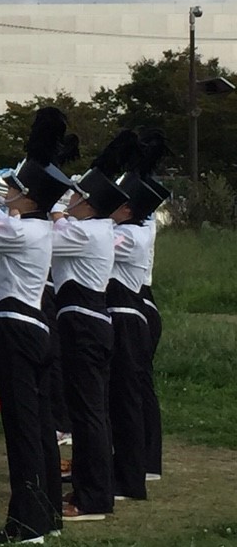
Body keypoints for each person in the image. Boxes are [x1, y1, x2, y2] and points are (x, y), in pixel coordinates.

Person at [0, 107, 74, 543]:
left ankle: (27, 524)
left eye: (11, 189)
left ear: (28, 197)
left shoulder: (21, 230)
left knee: (23, 429)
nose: (5, 193)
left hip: (16, 328)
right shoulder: (33, 226)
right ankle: (46, 516)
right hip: (33, 326)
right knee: (40, 427)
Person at [50, 130, 137, 522]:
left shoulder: (85, 231)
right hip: (86, 322)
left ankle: (93, 497)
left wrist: (45, 203)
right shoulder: (93, 228)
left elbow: (43, 238)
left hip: (84, 324)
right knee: (89, 411)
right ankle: (90, 488)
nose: (70, 199)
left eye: (75, 195)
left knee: (88, 413)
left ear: (88, 204)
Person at [108, 130, 171, 502]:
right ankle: (140, 463)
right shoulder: (133, 223)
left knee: (132, 396)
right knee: (131, 395)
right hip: (131, 306)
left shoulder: (134, 231)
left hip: (135, 307)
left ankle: (136, 470)